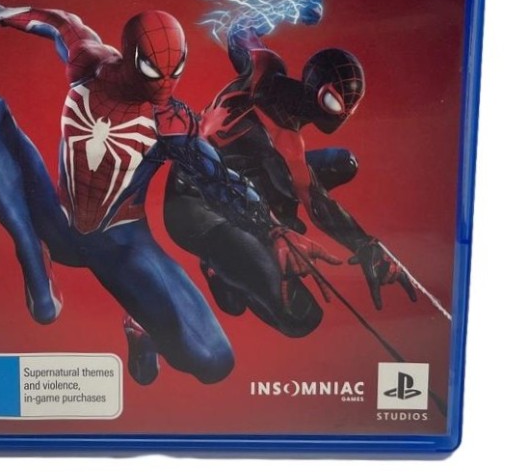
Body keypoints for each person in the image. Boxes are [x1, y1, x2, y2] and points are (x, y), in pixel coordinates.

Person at [0, 0, 265, 386]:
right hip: (58, 221)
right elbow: (59, 19)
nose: (165, 84)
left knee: (215, 362)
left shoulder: (171, 122)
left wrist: (265, 221)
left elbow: (219, 179)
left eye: (175, 71)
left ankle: (141, 328)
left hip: (121, 246)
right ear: (131, 57)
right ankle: (30, 248)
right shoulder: (89, 63)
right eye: (153, 70)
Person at [164, 21, 417, 336]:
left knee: (341, 164)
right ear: (317, 90)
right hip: (194, 204)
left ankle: (254, 242)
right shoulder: (279, 129)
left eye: (348, 107)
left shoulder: (266, 72)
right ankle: (219, 266)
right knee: (299, 316)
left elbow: (239, 33)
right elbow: (315, 201)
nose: (340, 114)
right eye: (334, 102)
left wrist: (364, 245)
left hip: (246, 185)